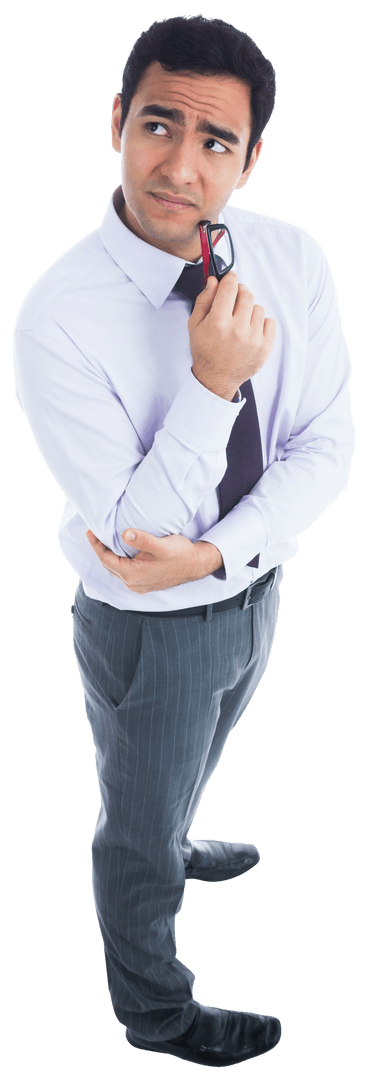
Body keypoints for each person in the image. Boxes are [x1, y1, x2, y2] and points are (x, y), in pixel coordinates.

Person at [12, 13, 355, 1069]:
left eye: (216, 142)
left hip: (253, 594)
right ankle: (156, 1012)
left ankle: (172, 832)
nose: (180, 163)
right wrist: (211, 383)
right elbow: (135, 538)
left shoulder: (289, 257)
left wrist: (223, 558)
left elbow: (325, 445)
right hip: (146, 628)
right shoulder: (57, 317)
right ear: (117, 121)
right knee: (130, 824)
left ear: (249, 158)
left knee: (190, 762)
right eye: (159, 124)